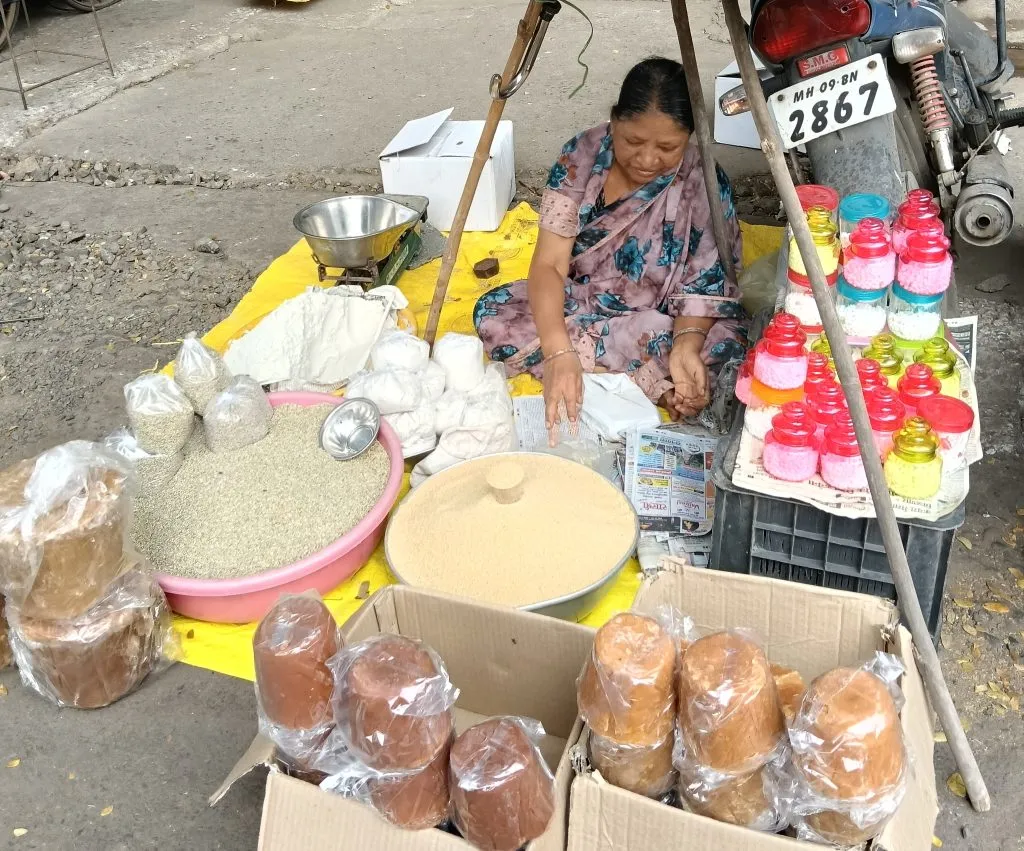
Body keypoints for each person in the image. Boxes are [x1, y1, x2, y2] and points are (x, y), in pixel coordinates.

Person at [473, 57, 747, 434]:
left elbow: (707, 286)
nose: (648, 159)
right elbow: (550, 264)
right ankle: (652, 381)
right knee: (495, 313)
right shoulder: (581, 157)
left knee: (728, 351)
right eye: (633, 141)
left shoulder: (704, 181)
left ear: (689, 138)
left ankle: (648, 374)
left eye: (668, 147)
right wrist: (557, 351)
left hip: (671, 320)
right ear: (614, 121)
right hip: (587, 303)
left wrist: (685, 343)